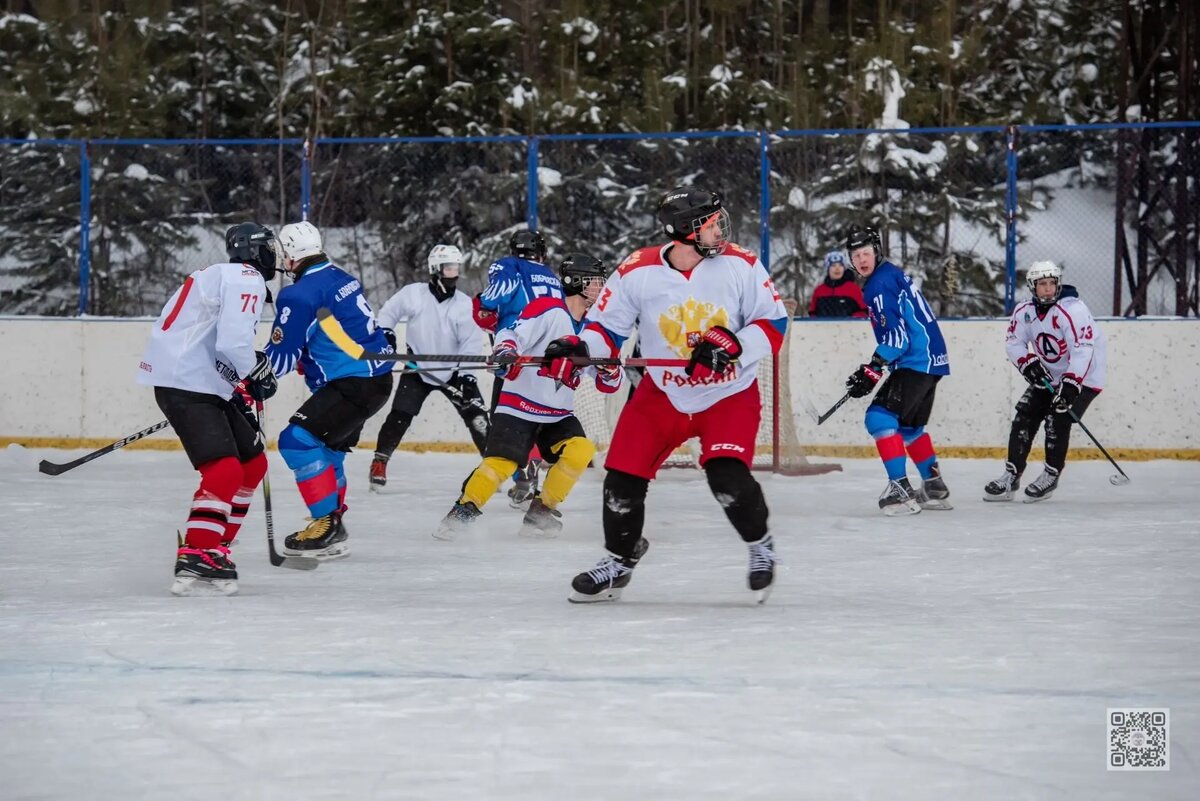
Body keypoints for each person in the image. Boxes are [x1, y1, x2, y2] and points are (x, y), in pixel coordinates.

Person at [545, 187, 788, 604]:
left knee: (726, 478)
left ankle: (760, 545)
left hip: (728, 393)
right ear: (685, 231)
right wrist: (581, 350)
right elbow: (606, 329)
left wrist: (733, 345)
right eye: (710, 224)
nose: (719, 230)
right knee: (620, 482)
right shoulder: (637, 270)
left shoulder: (742, 264)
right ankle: (618, 561)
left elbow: (774, 323)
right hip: (664, 395)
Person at [136, 222, 280, 596]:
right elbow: (233, 343)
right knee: (225, 469)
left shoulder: (220, 275)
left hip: (199, 381)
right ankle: (198, 550)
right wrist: (252, 373)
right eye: (269, 248)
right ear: (255, 251)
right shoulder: (247, 277)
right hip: (189, 383)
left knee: (253, 464)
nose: (274, 256)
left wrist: (240, 382)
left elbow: (214, 340)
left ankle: (215, 546)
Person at [436, 252, 615, 539]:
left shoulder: (596, 328)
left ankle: (541, 512)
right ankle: (462, 511)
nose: (600, 287)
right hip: (519, 407)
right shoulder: (549, 309)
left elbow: (609, 384)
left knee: (581, 450)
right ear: (577, 281)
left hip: (558, 414)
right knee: (502, 464)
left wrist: (608, 370)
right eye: (595, 281)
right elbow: (512, 332)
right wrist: (506, 351)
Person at [263, 221, 394, 559]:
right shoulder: (342, 278)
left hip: (352, 384)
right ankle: (332, 526)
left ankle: (327, 523)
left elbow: (280, 358)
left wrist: (249, 377)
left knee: (296, 442)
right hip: (376, 382)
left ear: (291, 254)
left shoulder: (298, 293)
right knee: (328, 450)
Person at [843, 224, 951, 516]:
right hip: (931, 360)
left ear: (877, 251)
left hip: (916, 360)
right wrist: (877, 367)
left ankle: (900, 489)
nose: (861, 260)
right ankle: (934, 486)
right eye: (855, 256)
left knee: (878, 417)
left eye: (866, 253)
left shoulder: (879, 283)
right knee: (909, 427)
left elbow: (897, 339)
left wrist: (874, 367)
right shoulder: (889, 275)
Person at [368, 244, 488, 490]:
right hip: (417, 369)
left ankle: (495, 467)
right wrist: (387, 334)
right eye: (449, 268)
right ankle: (380, 461)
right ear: (436, 269)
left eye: (456, 268)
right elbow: (388, 313)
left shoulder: (464, 305)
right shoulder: (413, 294)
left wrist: (467, 377)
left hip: (454, 371)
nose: (454, 273)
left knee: (478, 419)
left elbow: (471, 343)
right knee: (400, 416)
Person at [984, 261, 1106, 502]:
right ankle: (1012, 474)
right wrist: (1027, 363)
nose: (1048, 289)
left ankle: (1051, 474)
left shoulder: (1073, 309)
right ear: (1033, 287)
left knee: (1057, 419)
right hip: (1050, 374)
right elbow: (1014, 342)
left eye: (1052, 283)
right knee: (1024, 416)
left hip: (1085, 376)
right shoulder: (1025, 311)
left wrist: (1071, 385)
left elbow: (1083, 349)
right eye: (1042, 285)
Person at [472, 229, 564, 506]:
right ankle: (533, 462)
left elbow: (495, 295)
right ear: (541, 251)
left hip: (517, 349)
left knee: (506, 418)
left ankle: (522, 475)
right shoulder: (551, 275)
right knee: (535, 414)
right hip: (548, 354)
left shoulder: (509, 265)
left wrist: (482, 303)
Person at [808, 249, 868, 318]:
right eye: (833, 265)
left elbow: (864, 311)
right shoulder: (819, 291)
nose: (837, 268)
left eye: (840, 265)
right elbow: (812, 314)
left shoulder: (853, 289)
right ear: (828, 268)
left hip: (849, 328)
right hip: (823, 328)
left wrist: (852, 320)